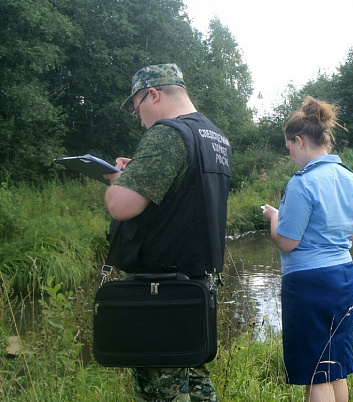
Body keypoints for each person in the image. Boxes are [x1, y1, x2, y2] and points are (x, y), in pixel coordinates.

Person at [103, 63, 232, 401]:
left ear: (154, 95)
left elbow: (121, 205)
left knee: (162, 391)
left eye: (137, 109)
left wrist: (118, 181)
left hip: (163, 290)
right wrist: (144, 171)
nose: (141, 120)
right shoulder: (215, 136)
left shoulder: (167, 134)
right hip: (199, 284)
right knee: (195, 382)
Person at [261, 96, 353, 402]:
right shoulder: (352, 180)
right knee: (336, 365)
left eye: (290, 148)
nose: (291, 155)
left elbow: (287, 241)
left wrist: (274, 218)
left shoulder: (302, 183)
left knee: (315, 369)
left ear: (299, 141)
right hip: (344, 276)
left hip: (309, 282)